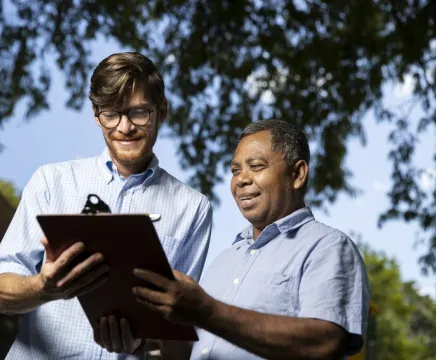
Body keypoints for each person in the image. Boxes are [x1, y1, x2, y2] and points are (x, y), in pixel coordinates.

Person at [0, 52, 213, 360]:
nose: (124, 127)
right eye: (111, 113)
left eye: (139, 112)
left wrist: (141, 344)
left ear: (162, 111)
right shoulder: (51, 182)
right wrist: (42, 289)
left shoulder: (193, 209)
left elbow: (176, 338)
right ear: (95, 114)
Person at [112, 119, 370, 359]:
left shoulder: (328, 247)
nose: (241, 180)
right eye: (235, 170)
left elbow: (326, 342)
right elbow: (189, 351)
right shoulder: (223, 260)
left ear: (298, 174)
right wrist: (142, 341)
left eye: (256, 166)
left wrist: (208, 311)